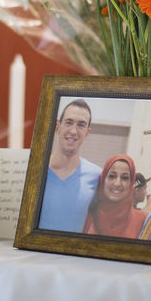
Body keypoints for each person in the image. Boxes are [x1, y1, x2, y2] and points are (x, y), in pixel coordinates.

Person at [37, 99, 101, 232]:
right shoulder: (35, 170)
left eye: (81, 125)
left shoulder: (97, 176)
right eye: (69, 122)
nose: (73, 131)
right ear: (57, 127)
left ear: (87, 133)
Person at [82, 154, 147, 238]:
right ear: (103, 179)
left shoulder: (142, 221)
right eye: (112, 176)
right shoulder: (86, 216)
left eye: (124, 178)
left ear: (131, 184)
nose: (117, 183)